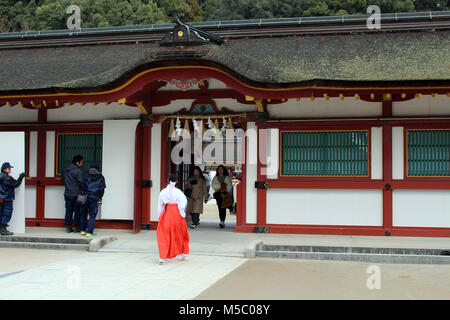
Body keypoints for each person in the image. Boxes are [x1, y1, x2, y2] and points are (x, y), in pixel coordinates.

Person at [157, 173, 190, 264]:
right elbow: (182, 204)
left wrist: (160, 216)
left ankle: (162, 257)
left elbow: (160, 205)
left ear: (168, 180)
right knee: (179, 234)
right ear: (177, 181)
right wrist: (182, 213)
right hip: (176, 213)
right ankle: (181, 254)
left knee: (164, 235)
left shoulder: (163, 192)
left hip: (166, 213)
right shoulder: (178, 192)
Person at [80, 162, 106, 238]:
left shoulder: (85, 174)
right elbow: (102, 189)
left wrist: (83, 192)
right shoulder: (101, 177)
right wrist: (100, 197)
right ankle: (89, 232)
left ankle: (82, 230)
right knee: (92, 215)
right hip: (94, 198)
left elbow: (81, 185)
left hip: (84, 197)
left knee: (83, 213)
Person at [61, 155, 85, 233]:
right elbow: (81, 182)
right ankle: (77, 227)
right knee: (78, 210)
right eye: (82, 162)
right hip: (77, 194)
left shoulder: (65, 169)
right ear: (77, 162)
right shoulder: (78, 171)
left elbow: (62, 179)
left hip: (67, 193)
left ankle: (68, 226)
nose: (82, 164)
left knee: (68, 210)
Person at [0, 162, 25, 236]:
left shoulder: (1, 176)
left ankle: (2, 229)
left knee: (1, 213)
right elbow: (16, 184)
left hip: (1, 198)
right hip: (6, 198)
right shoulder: (7, 177)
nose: (10, 170)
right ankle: (3, 230)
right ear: (5, 169)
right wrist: (21, 176)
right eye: (9, 168)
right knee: (7, 213)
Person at [211, 165, 233, 229]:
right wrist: (222, 186)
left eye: (221, 169)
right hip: (218, 195)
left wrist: (224, 190)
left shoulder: (227, 177)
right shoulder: (215, 177)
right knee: (220, 208)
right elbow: (214, 186)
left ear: (224, 170)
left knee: (223, 208)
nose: (220, 170)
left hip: (226, 194)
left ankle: (222, 221)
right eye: (219, 169)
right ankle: (222, 220)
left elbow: (229, 187)